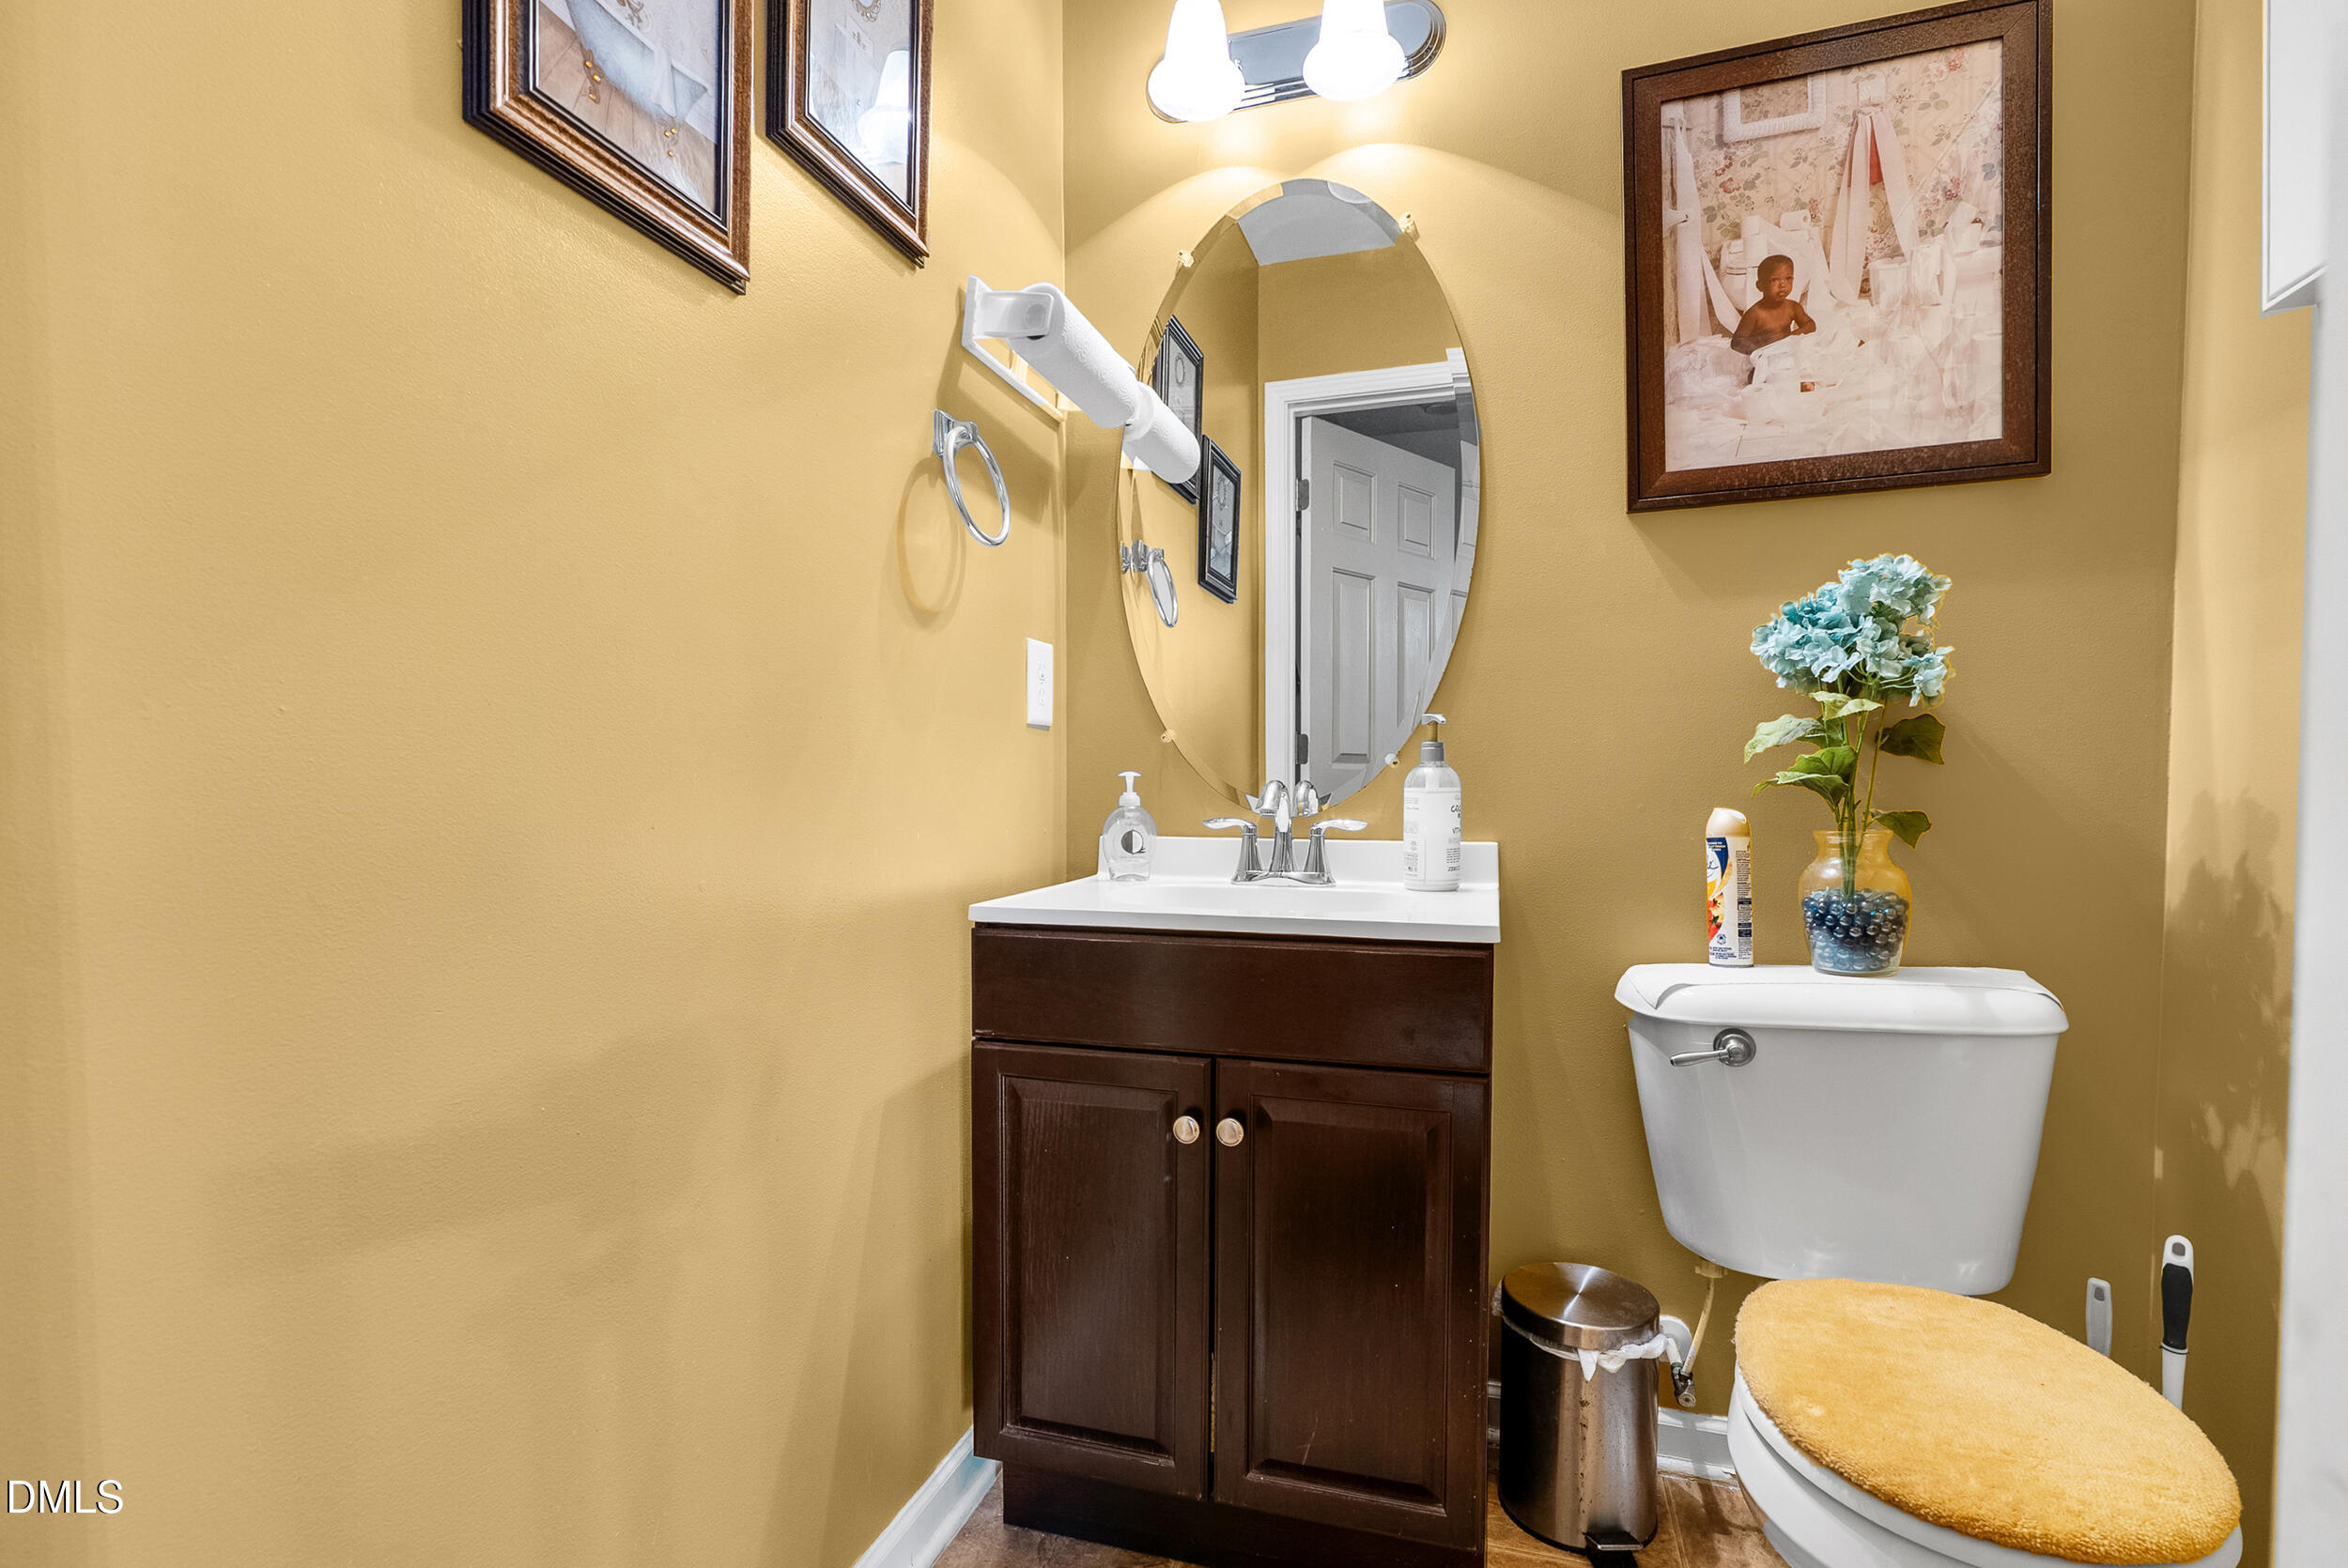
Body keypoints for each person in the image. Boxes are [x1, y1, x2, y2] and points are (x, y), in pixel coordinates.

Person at [1730, 254, 1816, 355]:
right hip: (1764, 355)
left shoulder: (1793, 307)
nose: (1782, 285)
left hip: (1786, 351)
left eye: (1788, 278)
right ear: (1760, 286)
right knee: (1763, 369)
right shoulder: (1755, 314)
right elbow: (1737, 342)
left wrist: (1793, 336)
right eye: (1774, 280)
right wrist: (1761, 349)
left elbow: (1810, 324)